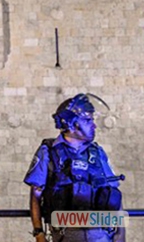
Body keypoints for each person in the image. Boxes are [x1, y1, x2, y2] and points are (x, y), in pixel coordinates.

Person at [24, 93, 125, 242]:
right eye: (87, 120)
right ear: (72, 124)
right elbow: (35, 195)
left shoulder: (97, 152)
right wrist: (39, 233)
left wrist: (120, 235)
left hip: (100, 234)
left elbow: (113, 191)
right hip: (65, 234)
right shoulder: (48, 151)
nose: (94, 125)